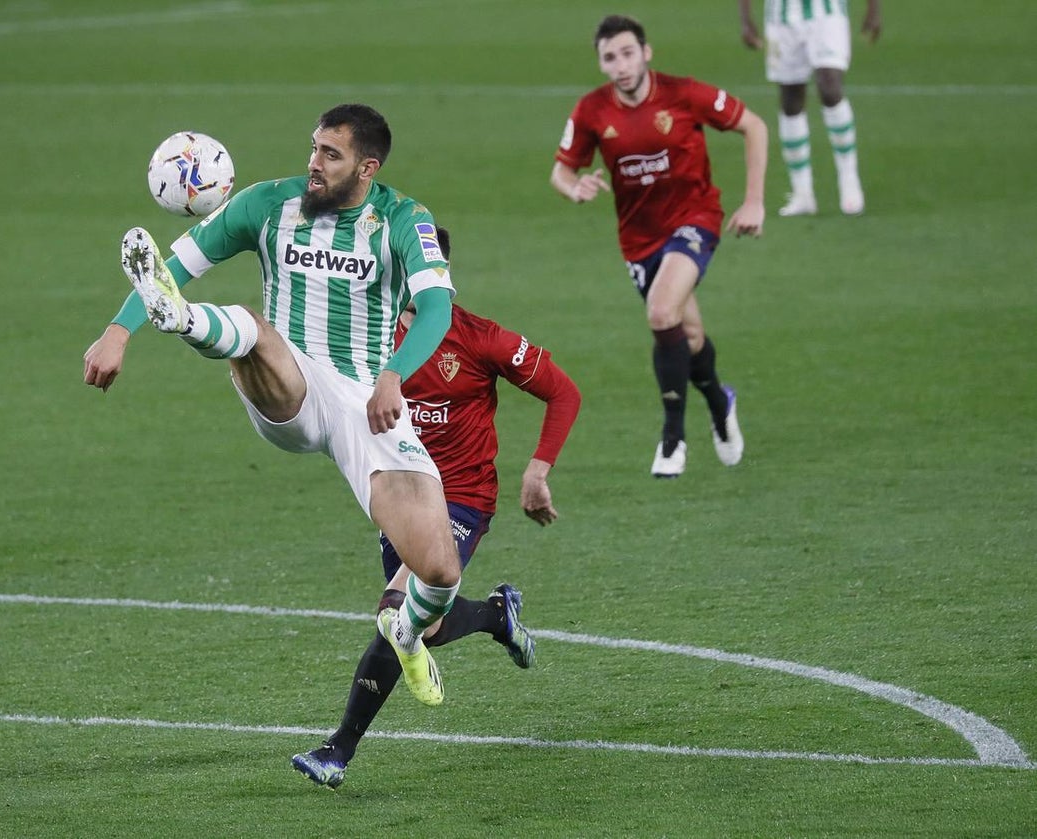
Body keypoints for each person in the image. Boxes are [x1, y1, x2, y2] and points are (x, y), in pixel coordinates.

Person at [83, 104, 462, 707]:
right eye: (314, 148)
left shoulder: (403, 219)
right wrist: (118, 331)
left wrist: (393, 376)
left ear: (367, 167)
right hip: (288, 380)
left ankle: (409, 633)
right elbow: (173, 266)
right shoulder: (266, 204)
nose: (314, 163)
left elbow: (437, 308)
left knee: (440, 571)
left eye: (331, 155)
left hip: (364, 400)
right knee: (252, 328)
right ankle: (184, 320)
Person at [291, 226, 582, 789]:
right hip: (401, 491)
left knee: (398, 611)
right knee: (429, 627)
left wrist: (538, 470)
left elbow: (563, 391)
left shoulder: (480, 339)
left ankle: (337, 751)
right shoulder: (366, 337)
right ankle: (497, 616)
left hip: (462, 498)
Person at [550, 14, 766, 478]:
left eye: (629, 53)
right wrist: (574, 188)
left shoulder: (683, 93)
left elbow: (754, 125)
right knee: (688, 335)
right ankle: (719, 400)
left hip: (695, 220)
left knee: (662, 312)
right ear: (601, 63)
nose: (621, 65)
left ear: (646, 53)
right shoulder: (592, 111)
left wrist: (754, 201)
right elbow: (561, 171)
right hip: (639, 239)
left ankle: (673, 438)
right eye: (610, 57)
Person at [738, 0, 882, 216]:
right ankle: (802, 193)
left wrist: (873, 9)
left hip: (827, 13)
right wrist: (745, 19)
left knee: (830, 87)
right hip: (780, 18)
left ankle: (849, 179)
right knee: (791, 100)